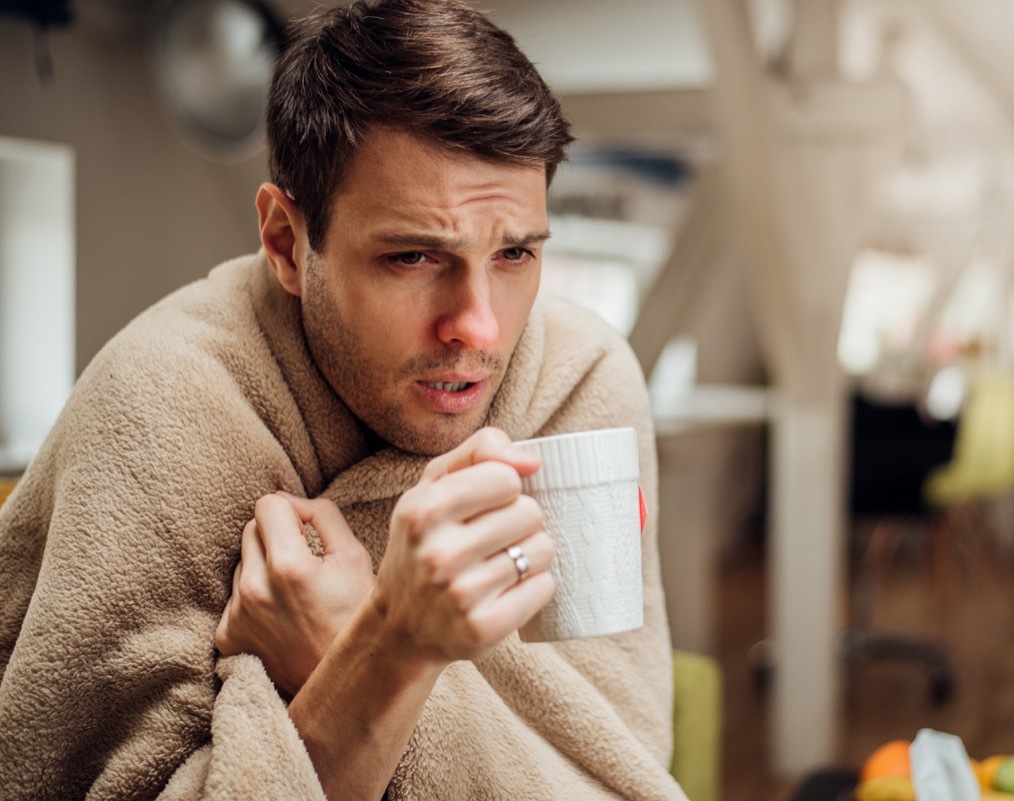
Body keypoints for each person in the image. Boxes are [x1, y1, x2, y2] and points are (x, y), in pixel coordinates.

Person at [0, 2, 684, 799]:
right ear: (287, 242)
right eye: (414, 255)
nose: (479, 326)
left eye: (515, 253)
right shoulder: (159, 408)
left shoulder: (581, 376)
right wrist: (390, 649)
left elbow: (619, 767)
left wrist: (353, 649)